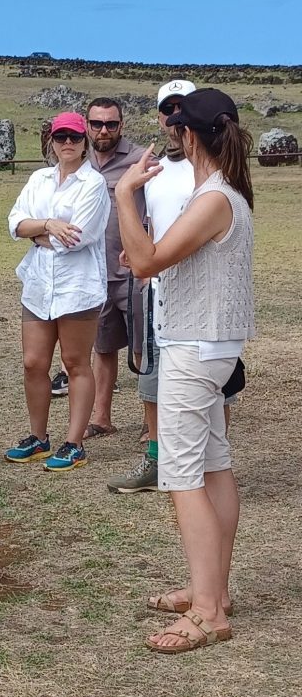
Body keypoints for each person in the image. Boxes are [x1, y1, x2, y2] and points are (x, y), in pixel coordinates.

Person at [116, 87, 255, 653]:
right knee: (213, 466)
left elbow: (147, 261)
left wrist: (126, 193)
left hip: (193, 349)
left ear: (189, 136)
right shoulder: (224, 194)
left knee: (182, 476)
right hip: (209, 346)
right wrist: (148, 254)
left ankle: (206, 611)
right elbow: (162, 260)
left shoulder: (213, 198)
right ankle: (212, 593)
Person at [4, 112, 110, 471]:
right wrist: (47, 225)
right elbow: (14, 223)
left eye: (75, 137)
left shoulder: (93, 184)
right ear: (51, 140)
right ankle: (39, 437)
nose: (68, 143)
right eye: (61, 136)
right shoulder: (39, 179)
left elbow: (77, 238)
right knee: (33, 363)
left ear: (85, 142)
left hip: (76, 287)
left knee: (75, 362)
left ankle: (74, 442)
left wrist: (35, 233)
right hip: (38, 284)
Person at [108, 80, 197, 492]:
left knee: (215, 385)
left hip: (199, 292)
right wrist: (138, 254)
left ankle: (209, 464)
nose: (174, 119)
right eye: (168, 110)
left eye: (183, 109)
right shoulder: (154, 169)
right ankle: (157, 460)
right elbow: (150, 224)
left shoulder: (211, 168)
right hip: (158, 289)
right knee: (151, 378)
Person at [81, 98, 146, 438]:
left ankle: (153, 421)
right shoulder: (79, 159)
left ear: (122, 124)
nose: (103, 130)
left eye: (111, 124)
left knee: (143, 348)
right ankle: (101, 417)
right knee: (102, 347)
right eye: (96, 124)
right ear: (87, 124)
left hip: (133, 272)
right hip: (93, 273)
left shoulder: (139, 160)